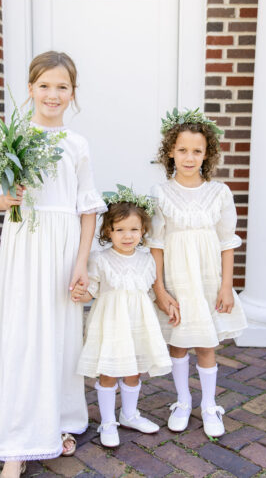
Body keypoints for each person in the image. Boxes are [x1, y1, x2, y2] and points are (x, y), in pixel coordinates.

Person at [0, 51, 106, 476]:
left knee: (62, 337)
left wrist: (83, 262)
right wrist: (4, 198)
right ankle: (18, 439)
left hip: (65, 247)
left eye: (61, 87)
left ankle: (59, 421)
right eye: (44, 85)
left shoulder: (78, 144)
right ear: (30, 89)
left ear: (72, 93)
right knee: (23, 336)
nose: (52, 94)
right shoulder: (12, 135)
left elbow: (88, 208)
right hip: (25, 244)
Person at [147, 108, 247, 438]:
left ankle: (208, 405)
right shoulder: (160, 193)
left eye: (197, 151)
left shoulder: (219, 193)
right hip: (175, 277)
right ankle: (182, 400)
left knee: (205, 343)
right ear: (170, 152)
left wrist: (226, 286)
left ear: (207, 154)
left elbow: (227, 242)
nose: (189, 158)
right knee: (178, 342)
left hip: (207, 276)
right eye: (182, 150)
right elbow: (156, 244)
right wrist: (160, 289)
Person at [71, 188, 177, 447]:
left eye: (133, 229)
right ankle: (108, 421)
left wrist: (168, 305)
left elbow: (152, 292)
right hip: (110, 325)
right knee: (108, 372)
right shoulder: (100, 259)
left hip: (138, 324)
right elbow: (92, 292)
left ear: (143, 231)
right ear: (108, 232)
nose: (127, 236)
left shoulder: (147, 260)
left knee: (134, 371)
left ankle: (129, 414)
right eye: (119, 230)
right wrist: (79, 293)